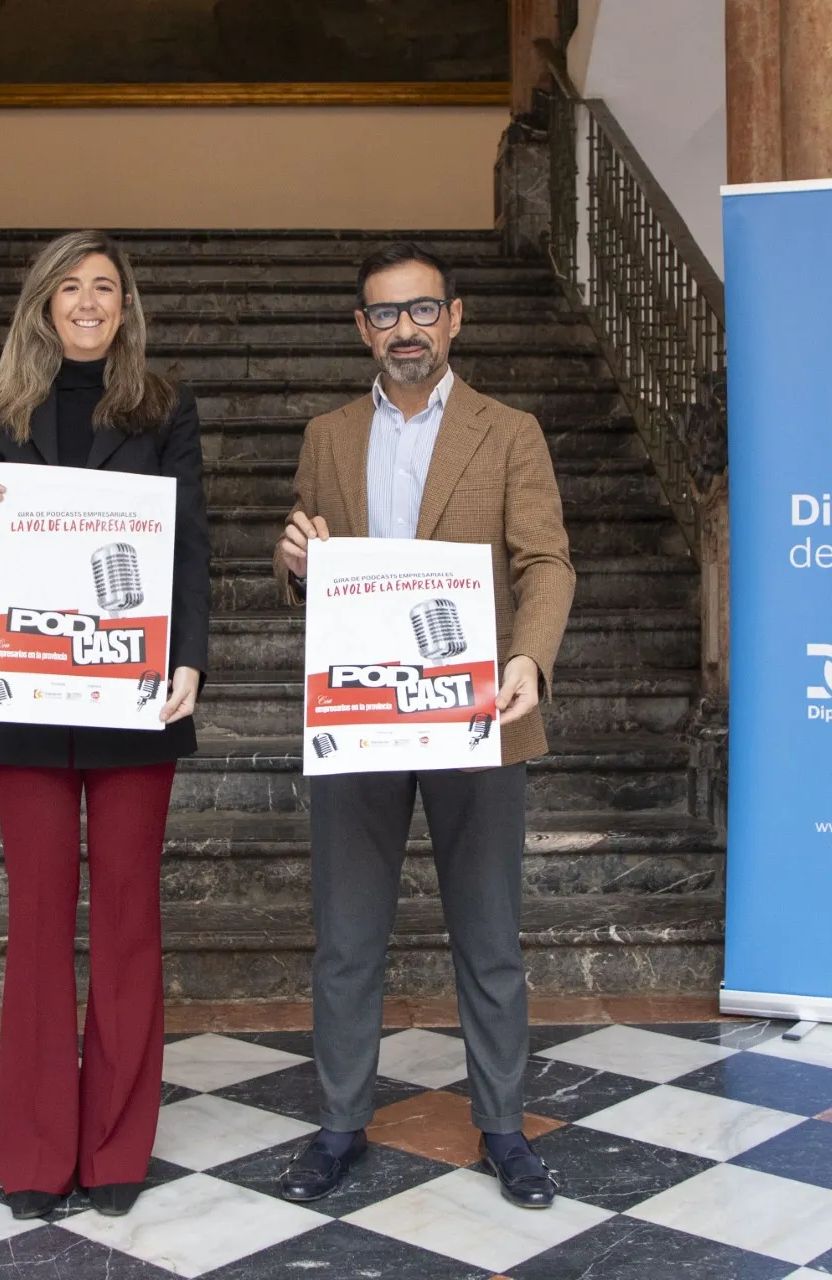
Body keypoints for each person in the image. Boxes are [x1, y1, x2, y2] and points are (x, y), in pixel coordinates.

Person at [272, 242, 574, 1208]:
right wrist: (292, 559)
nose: (405, 329)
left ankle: (504, 1129)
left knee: (489, 938)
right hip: (361, 717)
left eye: (422, 309)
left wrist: (528, 657)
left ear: (455, 318)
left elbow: (546, 561)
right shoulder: (327, 435)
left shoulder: (510, 431)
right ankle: (338, 1126)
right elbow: (303, 562)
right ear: (362, 328)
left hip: (478, 717)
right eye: (385, 313)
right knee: (347, 938)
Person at [0, 230, 210, 1220]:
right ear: (44, 304)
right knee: (37, 928)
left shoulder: (163, 407)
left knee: (129, 923)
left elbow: (190, 543)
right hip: (29, 702)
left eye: (106, 286)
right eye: (71, 287)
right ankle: (33, 1155)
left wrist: (191, 658)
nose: (90, 301)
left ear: (125, 305)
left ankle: (113, 1149)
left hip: (133, 694)